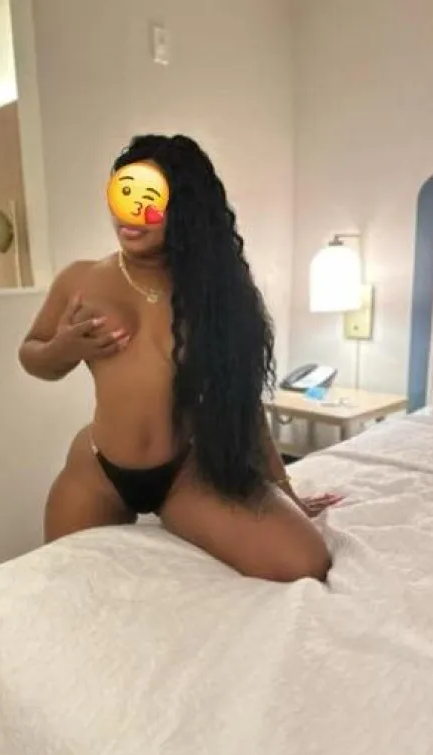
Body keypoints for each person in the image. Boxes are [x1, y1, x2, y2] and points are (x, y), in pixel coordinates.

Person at [19, 134, 341, 582]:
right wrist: (62, 349)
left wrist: (286, 490)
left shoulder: (216, 295)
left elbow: (242, 403)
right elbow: (32, 355)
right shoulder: (81, 279)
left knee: (306, 562)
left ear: (185, 209)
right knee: (59, 585)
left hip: (185, 473)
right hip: (98, 469)